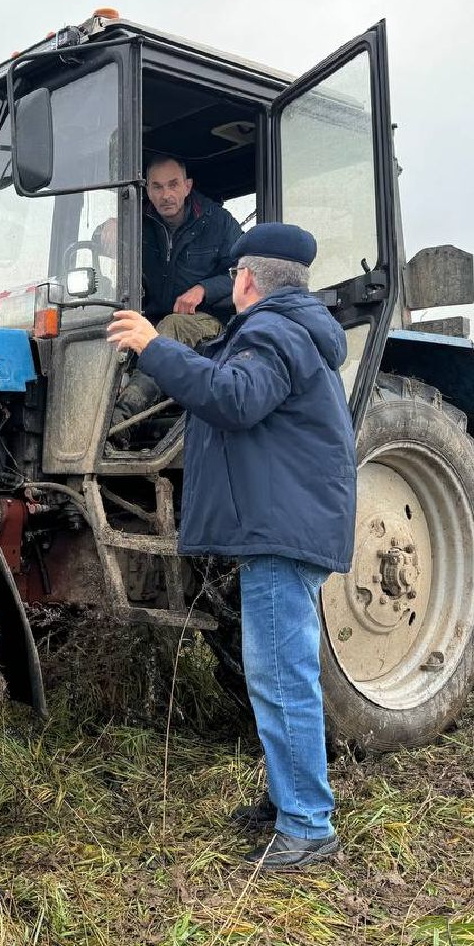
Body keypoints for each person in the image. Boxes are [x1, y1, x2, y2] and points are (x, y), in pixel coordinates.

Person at [105, 222, 355, 870]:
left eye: (237, 275)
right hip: (279, 522)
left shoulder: (274, 331)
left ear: (246, 279)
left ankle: (309, 824)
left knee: (280, 675)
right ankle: (287, 802)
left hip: (280, 528)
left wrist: (155, 347)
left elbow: (234, 399)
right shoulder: (286, 330)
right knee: (275, 672)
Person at [100, 155, 242, 428]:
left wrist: (204, 289)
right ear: (147, 191)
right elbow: (100, 239)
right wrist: (108, 226)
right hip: (153, 316)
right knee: (112, 326)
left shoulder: (219, 223)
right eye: (157, 187)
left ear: (187, 186)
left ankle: (123, 418)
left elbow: (244, 273)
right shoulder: (138, 221)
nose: (166, 195)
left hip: (209, 320)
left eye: (173, 185)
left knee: (172, 326)